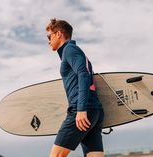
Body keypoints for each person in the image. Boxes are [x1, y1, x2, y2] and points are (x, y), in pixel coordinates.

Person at [46, 18, 104, 157]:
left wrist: (81, 109)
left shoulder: (69, 50)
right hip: (94, 110)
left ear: (58, 34)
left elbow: (83, 75)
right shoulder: (73, 51)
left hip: (82, 110)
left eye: (49, 36)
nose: (48, 41)